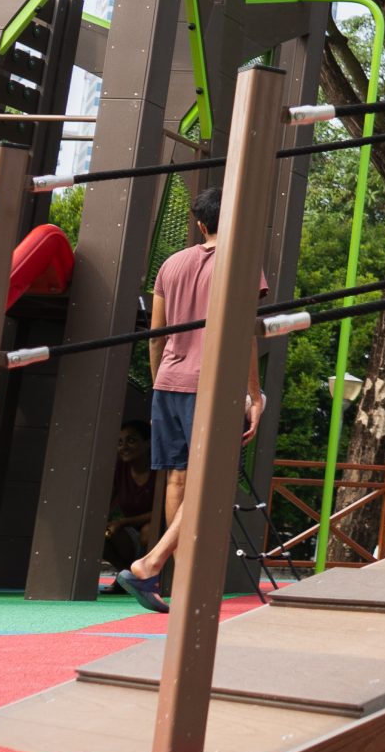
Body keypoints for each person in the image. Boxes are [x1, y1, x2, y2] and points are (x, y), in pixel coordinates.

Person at [114, 187, 265, 613]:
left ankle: (177, 584)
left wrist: (161, 375)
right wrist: (254, 393)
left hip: (169, 380)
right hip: (210, 383)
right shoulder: (241, 263)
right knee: (212, 478)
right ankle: (150, 563)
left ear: (200, 223)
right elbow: (245, 334)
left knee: (179, 479)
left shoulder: (171, 264)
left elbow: (155, 334)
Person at [102, 421, 161, 574]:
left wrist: (122, 522)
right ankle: (126, 575)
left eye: (131, 440)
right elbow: (108, 499)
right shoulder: (119, 469)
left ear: (148, 443)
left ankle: (148, 575)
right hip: (129, 529)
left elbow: (159, 512)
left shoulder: (159, 471)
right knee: (102, 533)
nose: (124, 447)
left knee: (149, 532)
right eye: (120, 442)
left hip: (156, 528)